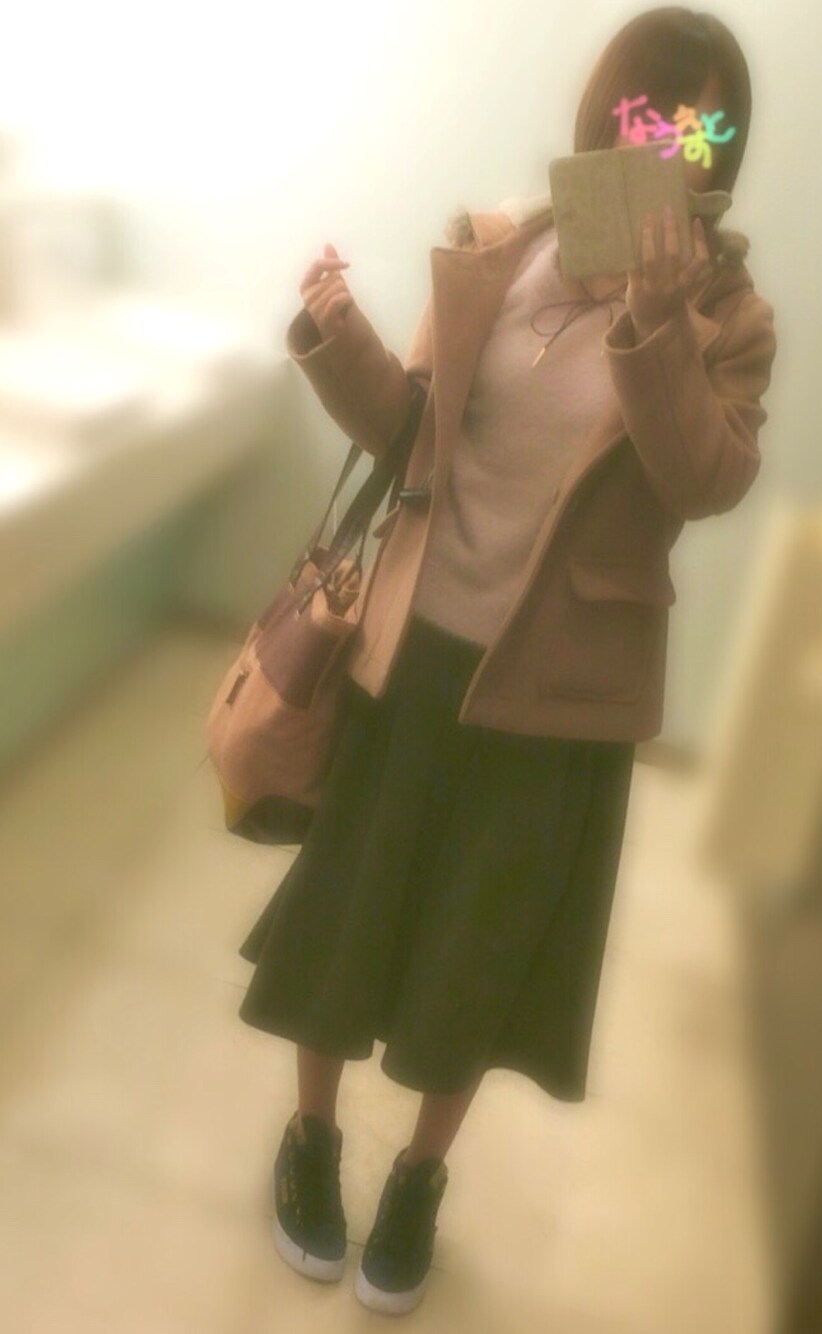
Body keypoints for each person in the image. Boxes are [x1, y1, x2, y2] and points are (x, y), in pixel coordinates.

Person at [236, 6, 777, 1317]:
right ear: (604, 118)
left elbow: (704, 479)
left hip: (561, 695)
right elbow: (411, 433)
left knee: (478, 947)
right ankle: (308, 1141)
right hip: (414, 652)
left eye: (701, 129)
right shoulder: (500, 251)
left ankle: (419, 1177)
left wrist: (658, 325)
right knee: (351, 913)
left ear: (723, 153)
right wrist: (337, 332)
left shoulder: (729, 318)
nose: (670, 150)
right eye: (649, 117)